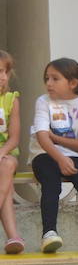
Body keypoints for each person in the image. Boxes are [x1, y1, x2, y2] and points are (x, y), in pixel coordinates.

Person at [30, 59, 78, 254]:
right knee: (51, 181)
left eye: (55, 79)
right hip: (45, 154)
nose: (49, 83)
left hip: (77, 155)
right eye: (47, 79)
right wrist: (60, 158)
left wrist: (57, 140)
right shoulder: (43, 101)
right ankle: (49, 233)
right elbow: (43, 138)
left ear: (73, 83)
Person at [0, 50, 22, 254]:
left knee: (5, 164)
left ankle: (14, 236)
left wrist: (1, 152)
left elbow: (14, 138)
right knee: (4, 187)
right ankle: (13, 237)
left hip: (6, 153)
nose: (3, 77)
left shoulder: (11, 99)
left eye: (5, 72)